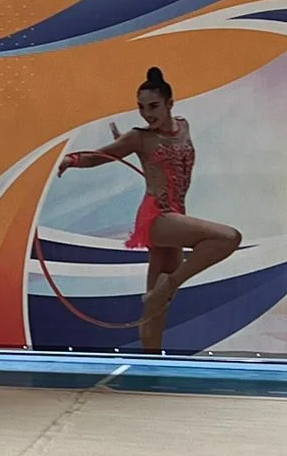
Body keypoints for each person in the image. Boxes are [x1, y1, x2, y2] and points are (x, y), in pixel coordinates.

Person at [56, 66, 242, 353]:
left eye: (153, 106)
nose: (146, 114)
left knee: (155, 307)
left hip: (176, 217)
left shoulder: (184, 126)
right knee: (228, 237)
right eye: (141, 107)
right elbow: (100, 156)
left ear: (170, 103)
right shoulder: (139, 137)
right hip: (157, 217)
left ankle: (152, 359)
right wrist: (72, 159)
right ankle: (170, 284)